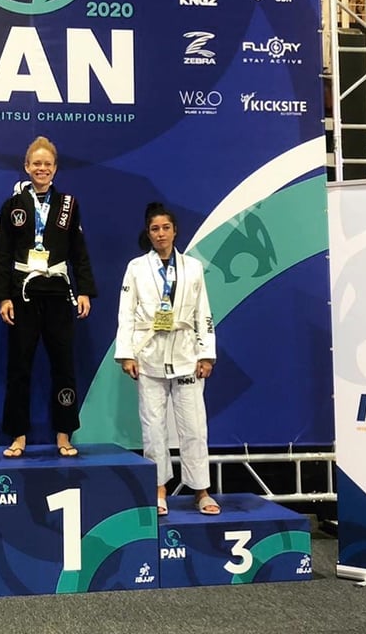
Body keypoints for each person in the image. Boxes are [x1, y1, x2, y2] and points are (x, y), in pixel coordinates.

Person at [0, 136, 97, 458]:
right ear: (27, 167)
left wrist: (84, 290)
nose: (42, 168)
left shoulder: (68, 205)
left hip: (58, 291)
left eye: (47, 164)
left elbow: (79, 251)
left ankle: (64, 433)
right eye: (36, 163)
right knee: (19, 366)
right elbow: (3, 254)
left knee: (63, 365)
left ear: (55, 169)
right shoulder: (12, 206)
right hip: (23, 293)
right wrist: (3, 297)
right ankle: (18, 435)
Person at [114, 202, 219, 516]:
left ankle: (201, 490)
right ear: (148, 234)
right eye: (155, 229)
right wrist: (126, 354)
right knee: (153, 427)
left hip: (186, 354)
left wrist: (206, 354)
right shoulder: (136, 267)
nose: (160, 234)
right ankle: (158, 489)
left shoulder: (193, 267)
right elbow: (126, 313)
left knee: (194, 427)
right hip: (149, 355)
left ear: (175, 231)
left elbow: (203, 312)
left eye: (165, 228)